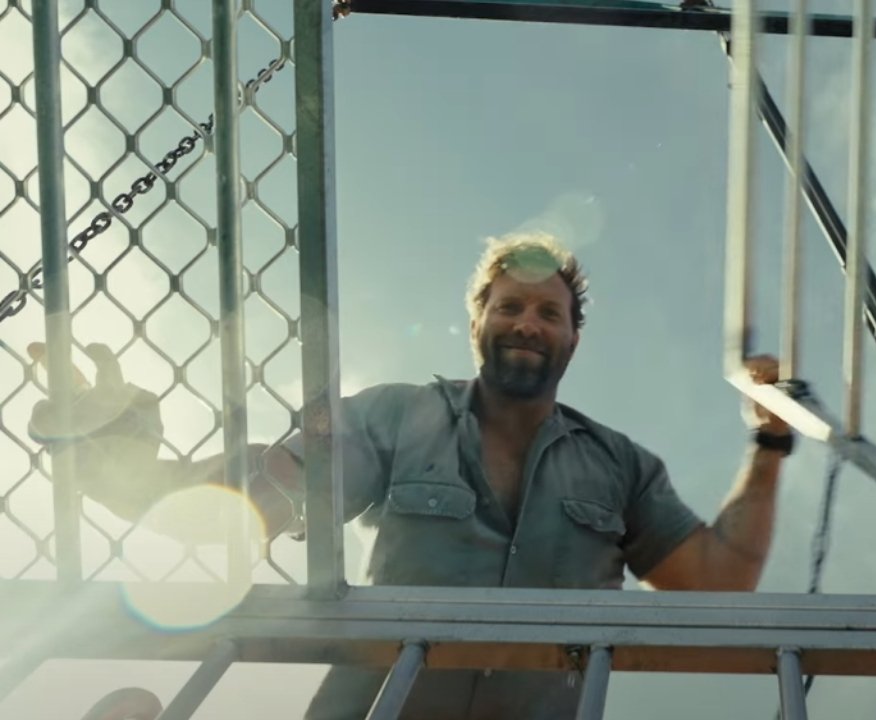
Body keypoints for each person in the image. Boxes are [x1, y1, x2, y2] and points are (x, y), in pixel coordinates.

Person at [28, 233, 796, 719]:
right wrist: (121, 464)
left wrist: (769, 441)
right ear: (477, 323)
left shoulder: (620, 464)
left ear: (572, 338)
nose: (527, 323)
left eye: (548, 312)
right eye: (509, 306)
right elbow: (272, 490)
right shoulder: (398, 415)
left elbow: (717, 584)